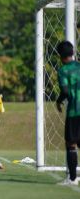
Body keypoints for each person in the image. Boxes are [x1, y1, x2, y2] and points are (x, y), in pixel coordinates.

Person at [56, 41, 80, 186]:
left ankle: (72, 179)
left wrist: (58, 102)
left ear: (61, 56)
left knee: (71, 144)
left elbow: (65, 91)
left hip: (74, 111)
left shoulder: (63, 71)